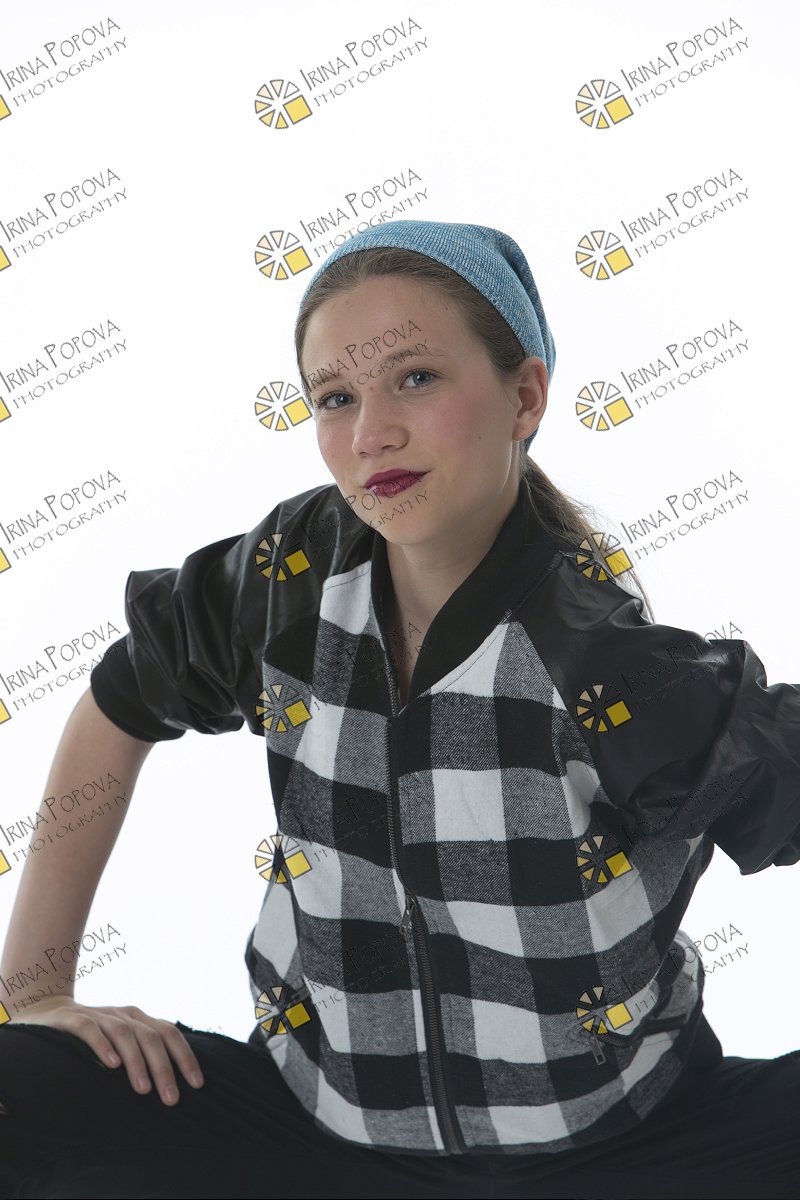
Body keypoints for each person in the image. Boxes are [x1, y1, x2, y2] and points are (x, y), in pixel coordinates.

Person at [1, 220, 799, 1200]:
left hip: (619, 1148)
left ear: (525, 395)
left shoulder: (606, 661)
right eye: (336, 397)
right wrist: (36, 991)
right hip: (313, 1135)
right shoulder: (291, 577)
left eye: (415, 378)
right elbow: (122, 699)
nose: (370, 433)